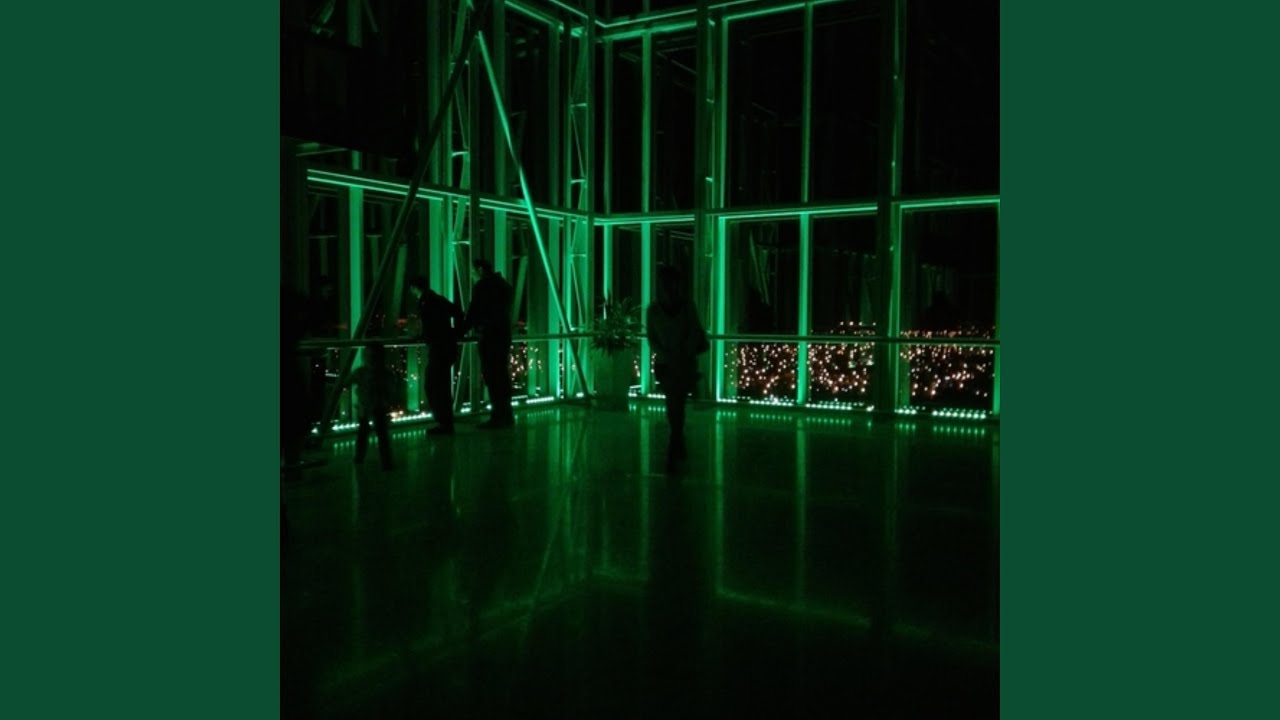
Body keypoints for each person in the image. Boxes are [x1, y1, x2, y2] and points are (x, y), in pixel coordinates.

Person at [647, 265, 709, 469]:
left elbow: (655, 339)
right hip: (673, 364)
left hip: (676, 364)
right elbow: (653, 339)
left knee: (674, 403)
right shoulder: (668, 309)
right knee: (675, 403)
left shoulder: (659, 310)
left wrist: (674, 355)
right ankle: (676, 441)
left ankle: (675, 442)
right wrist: (676, 355)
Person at [461, 258, 515, 429]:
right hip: (503, 334)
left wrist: (459, 331)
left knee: (492, 376)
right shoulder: (504, 285)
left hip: (489, 335)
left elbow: (474, 311)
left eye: (472, 271)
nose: (471, 275)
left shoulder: (483, 286)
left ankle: (498, 417)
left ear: (480, 270)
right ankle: (506, 415)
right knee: (501, 375)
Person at [409, 276, 465, 435]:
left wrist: (425, 335)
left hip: (439, 348)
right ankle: (446, 423)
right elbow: (457, 312)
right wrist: (456, 333)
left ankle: (443, 422)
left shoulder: (428, 301)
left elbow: (431, 324)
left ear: (415, 288)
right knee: (441, 386)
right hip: (445, 346)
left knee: (433, 385)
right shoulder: (436, 299)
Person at [351, 342, 395, 469]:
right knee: (381, 434)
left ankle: (360, 457)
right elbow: (390, 390)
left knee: (365, 434)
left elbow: (348, 381)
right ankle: (386, 461)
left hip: (367, 407)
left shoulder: (361, 372)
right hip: (377, 407)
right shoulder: (385, 374)